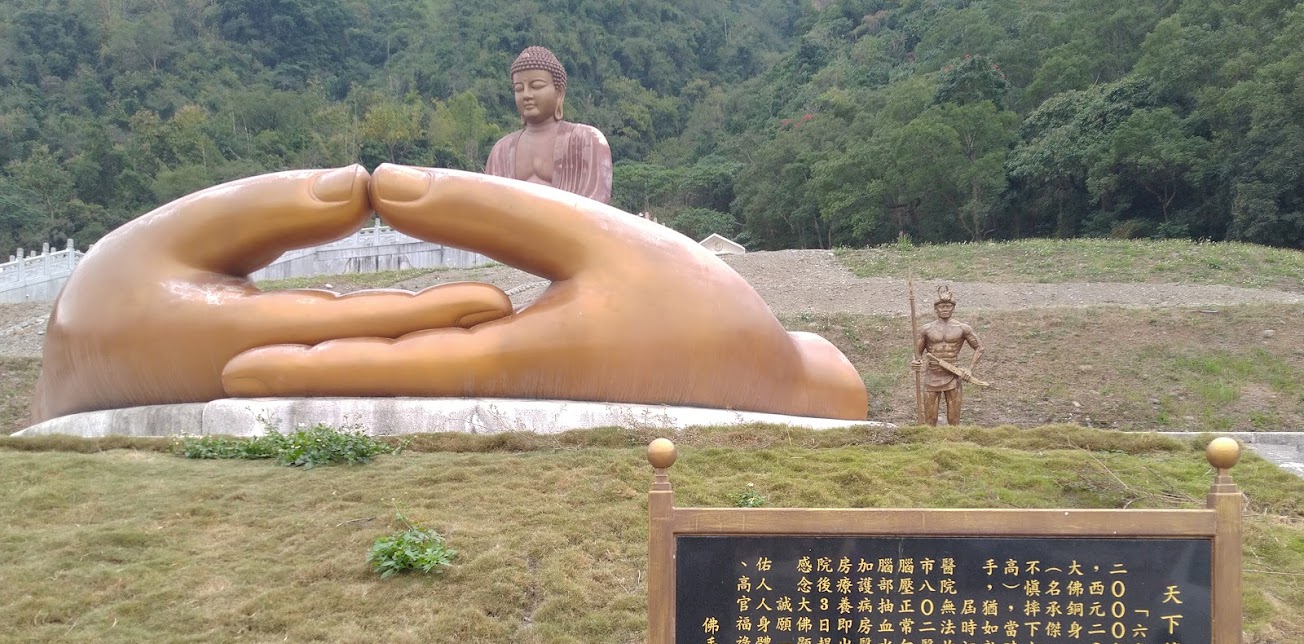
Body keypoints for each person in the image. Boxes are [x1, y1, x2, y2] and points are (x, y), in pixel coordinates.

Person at [32, 164, 867, 423]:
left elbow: (579, 193)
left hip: (608, 279)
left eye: (539, 86)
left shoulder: (578, 140)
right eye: (520, 86)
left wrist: (86, 346)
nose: (529, 97)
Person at [483, 46, 613, 204]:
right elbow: (490, 205)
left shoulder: (586, 140)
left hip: (566, 220)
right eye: (519, 89)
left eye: (536, 86)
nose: (526, 95)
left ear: (559, 93)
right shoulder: (501, 150)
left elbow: (595, 201)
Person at [911, 287, 984, 426]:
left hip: (953, 376)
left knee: (954, 418)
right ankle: (929, 439)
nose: (945, 309)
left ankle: (953, 439)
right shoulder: (926, 329)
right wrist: (916, 361)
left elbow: (980, 347)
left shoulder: (962, 328)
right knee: (930, 419)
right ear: (936, 309)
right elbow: (917, 352)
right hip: (932, 376)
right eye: (941, 306)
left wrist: (969, 369)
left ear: (953, 308)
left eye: (948, 306)